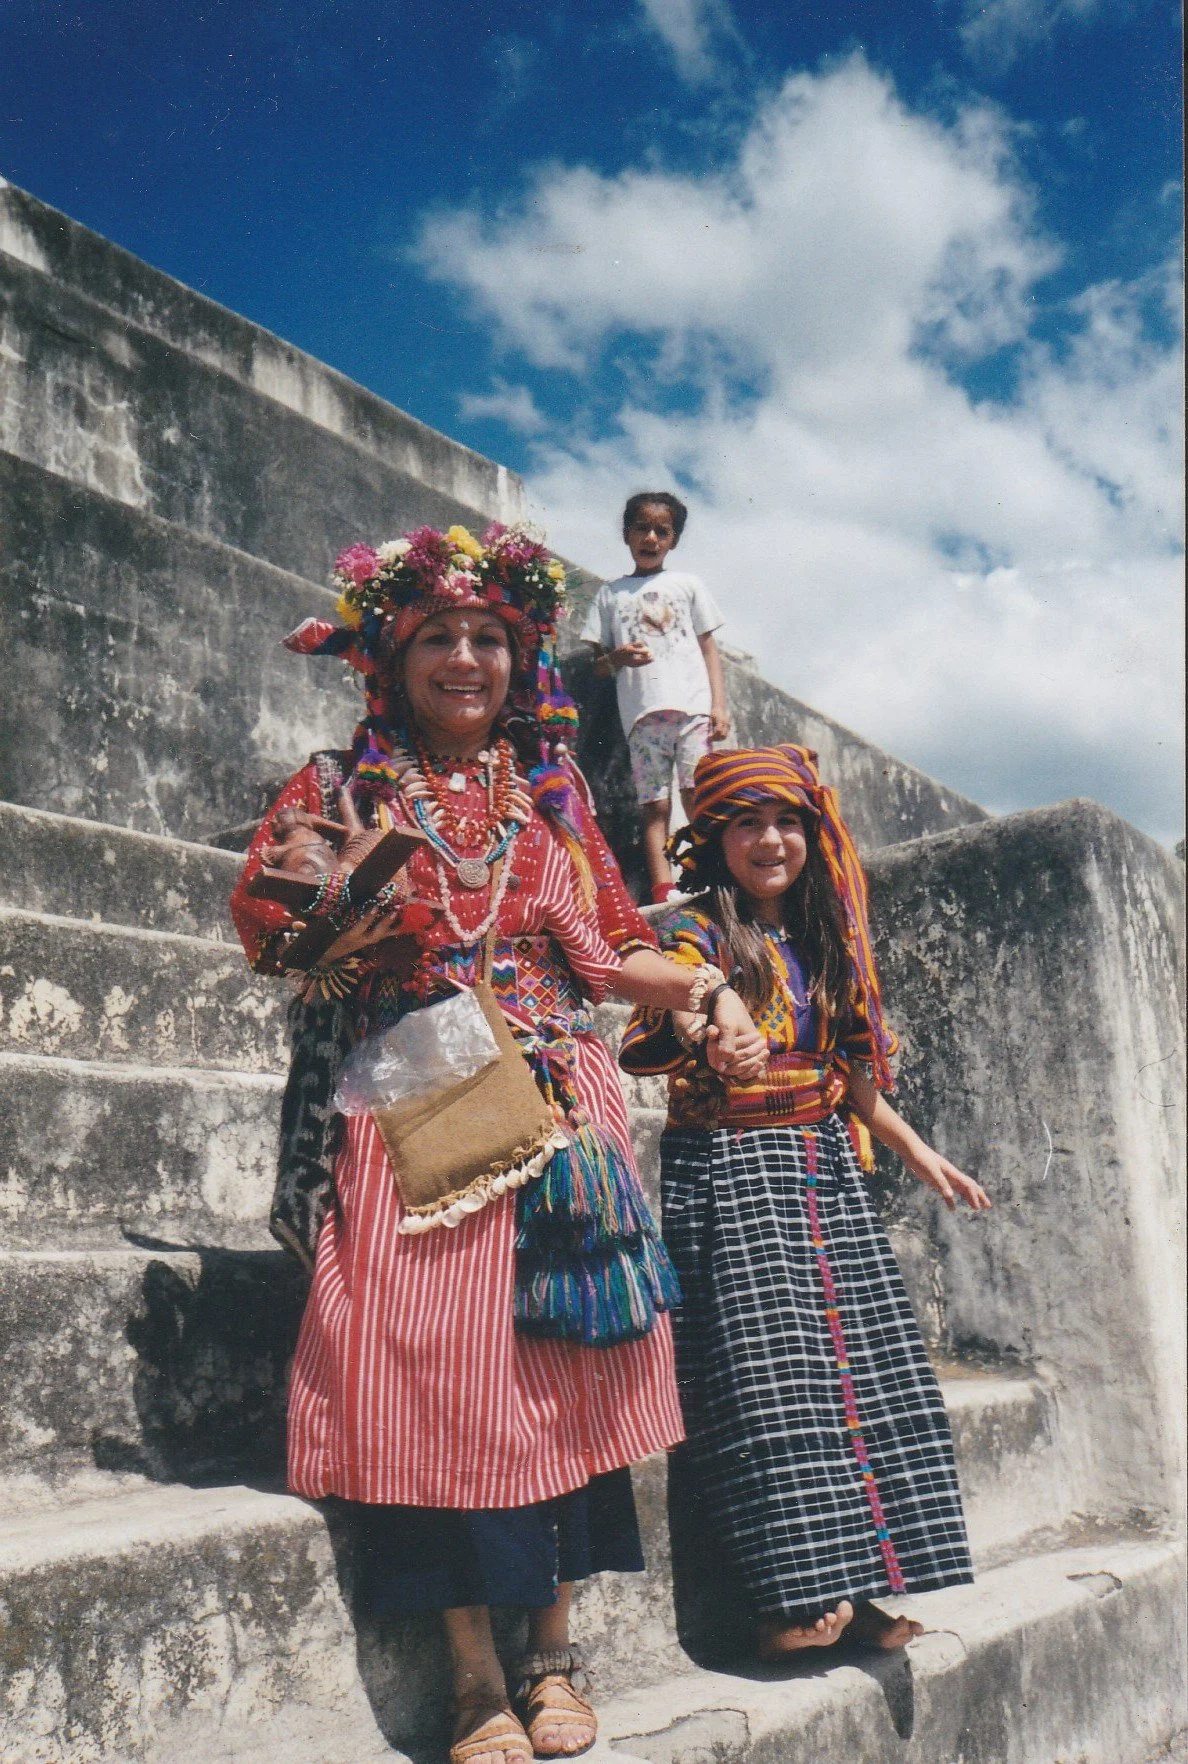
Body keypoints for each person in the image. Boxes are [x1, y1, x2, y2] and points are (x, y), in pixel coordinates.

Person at [230, 522, 765, 1764]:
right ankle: (474, 1681)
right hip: (415, 1112)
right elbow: (273, 933)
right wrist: (334, 921)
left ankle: (556, 1657)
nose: (465, 657)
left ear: (521, 665)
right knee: (434, 1385)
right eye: (438, 637)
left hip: (558, 1117)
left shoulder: (552, 814)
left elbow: (602, 955)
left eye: (489, 638)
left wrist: (704, 990)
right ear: (391, 659)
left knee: (564, 1377)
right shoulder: (339, 793)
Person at [619, 744, 990, 1660]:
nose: (770, 839)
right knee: (766, 1385)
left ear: (812, 832)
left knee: (855, 1378)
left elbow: (851, 1076)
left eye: (786, 820)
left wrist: (918, 1151)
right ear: (712, 837)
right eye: (746, 822)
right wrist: (710, 1033)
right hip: (733, 1171)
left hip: (824, 1171)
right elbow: (666, 1013)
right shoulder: (696, 933)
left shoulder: (828, 936)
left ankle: (859, 1593)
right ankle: (787, 1603)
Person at [578, 492, 730, 905]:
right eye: (642, 528)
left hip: (692, 710)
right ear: (626, 534)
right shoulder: (610, 595)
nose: (650, 537)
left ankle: (710, 874)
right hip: (643, 717)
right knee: (654, 806)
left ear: (673, 540)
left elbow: (708, 648)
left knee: (697, 795)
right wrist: (618, 656)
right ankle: (664, 890)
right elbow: (598, 665)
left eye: (662, 531)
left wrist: (719, 705)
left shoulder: (687, 585)